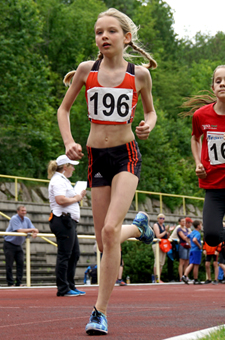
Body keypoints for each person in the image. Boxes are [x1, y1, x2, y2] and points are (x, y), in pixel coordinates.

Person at [57, 7, 156, 335]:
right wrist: (70, 141)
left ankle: (99, 311)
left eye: (111, 31)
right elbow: (64, 109)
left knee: (110, 232)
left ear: (126, 38)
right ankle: (140, 228)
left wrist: (147, 125)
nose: (103, 37)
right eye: (99, 32)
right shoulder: (87, 70)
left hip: (126, 156)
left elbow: (152, 112)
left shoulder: (139, 74)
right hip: (96, 157)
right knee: (104, 239)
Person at [181, 65, 225, 247]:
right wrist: (198, 163)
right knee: (213, 237)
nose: (222, 84)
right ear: (213, 87)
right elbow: (195, 138)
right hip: (214, 186)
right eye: (218, 81)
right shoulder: (201, 116)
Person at [47, 154, 86, 297]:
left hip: (67, 221)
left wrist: (77, 196)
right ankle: (63, 288)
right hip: (62, 220)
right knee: (65, 255)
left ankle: (69, 285)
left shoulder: (62, 180)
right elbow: (60, 199)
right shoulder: (58, 180)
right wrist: (77, 197)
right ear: (65, 167)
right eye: (72, 166)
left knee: (74, 254)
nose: (73, 169)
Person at [3, 205, 39, 286]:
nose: (24, 212)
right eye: (22, 210)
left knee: (21, 263)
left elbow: (34, 228)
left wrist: (35, 232)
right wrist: (32, 230)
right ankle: (10, 283)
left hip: (18, 245)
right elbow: (19, 230)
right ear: (18, 211)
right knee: (9, 264)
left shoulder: (27, 219)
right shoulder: (14, 218)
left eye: (25, 210)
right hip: (9, 244)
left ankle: (18, 283)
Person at [182, 220, 202, 285]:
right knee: (196, 265)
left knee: (192, 263)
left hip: (192, 250)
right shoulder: (197, 233)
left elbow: (186, 238)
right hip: (196, 250)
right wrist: (199, 246)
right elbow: (194, 239)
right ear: (198, 226)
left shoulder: (192, 232)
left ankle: (185, 275)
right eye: (201, 225)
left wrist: (190, 244)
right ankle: (195, 279)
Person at [152, 214, 170, 283]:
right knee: (157, 261)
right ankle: (156, 278)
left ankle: (159, 277)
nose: (162, 219)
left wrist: (168, 231)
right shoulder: (156, 225)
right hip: (157, 244)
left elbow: (166, 237)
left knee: (162, 262)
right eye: (160, 218)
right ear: (158, 219)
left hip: (163, 245)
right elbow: (158, 235)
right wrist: (165, 231)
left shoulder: (164, 226)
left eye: (163, 218)